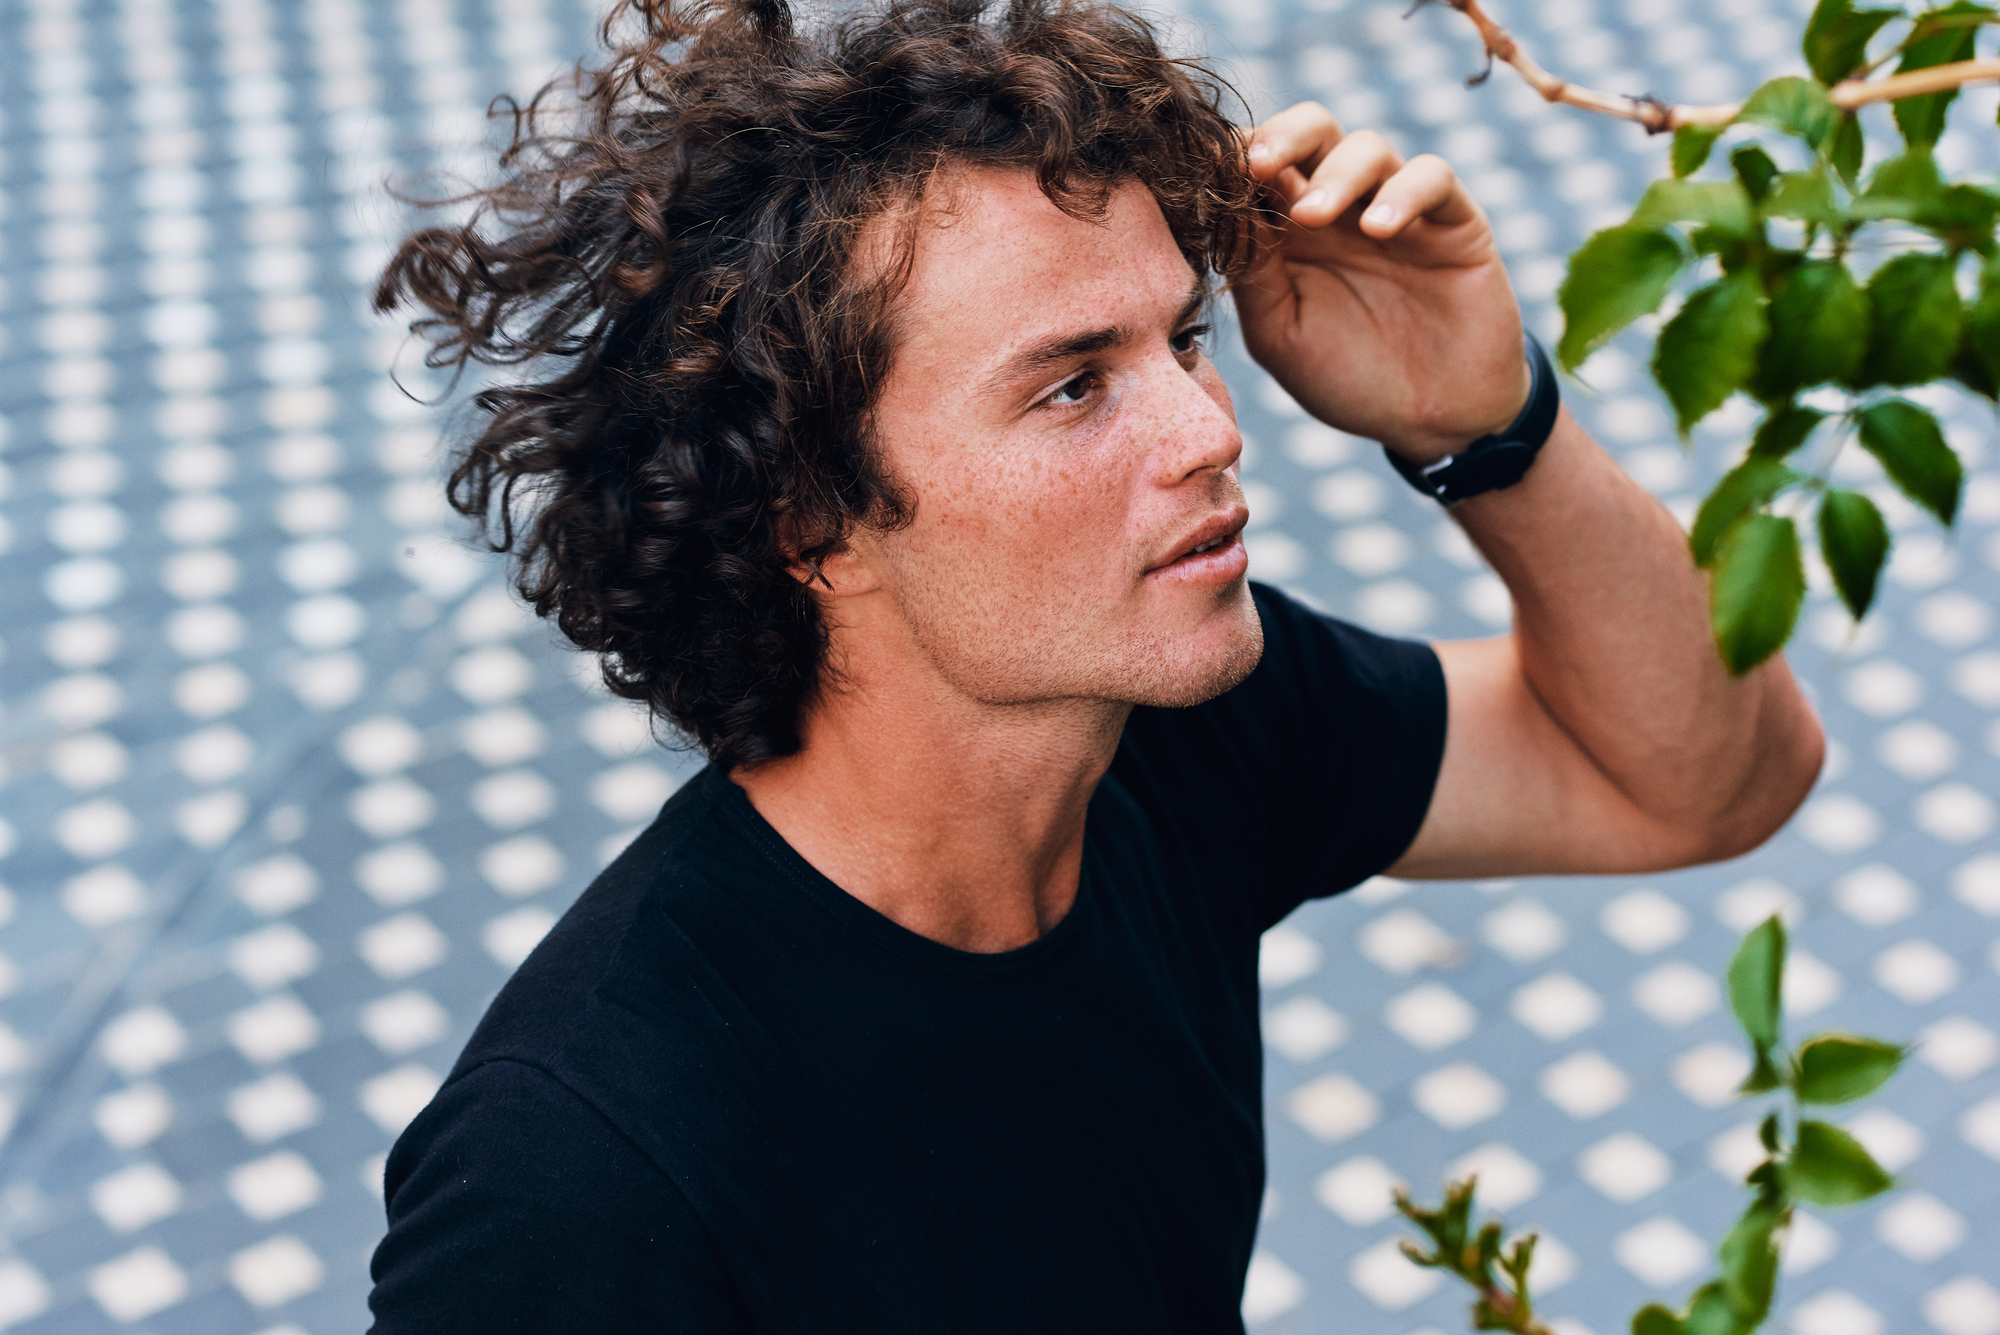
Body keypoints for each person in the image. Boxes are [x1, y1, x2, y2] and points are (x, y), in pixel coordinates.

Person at [364, 0, 1824, 1328]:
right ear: (808, 517)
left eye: (1179, 342)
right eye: (1073, 384)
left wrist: (1486, 421)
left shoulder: (1183, 732)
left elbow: (1701, 783)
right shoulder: (581, 1175)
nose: (1210, 430)